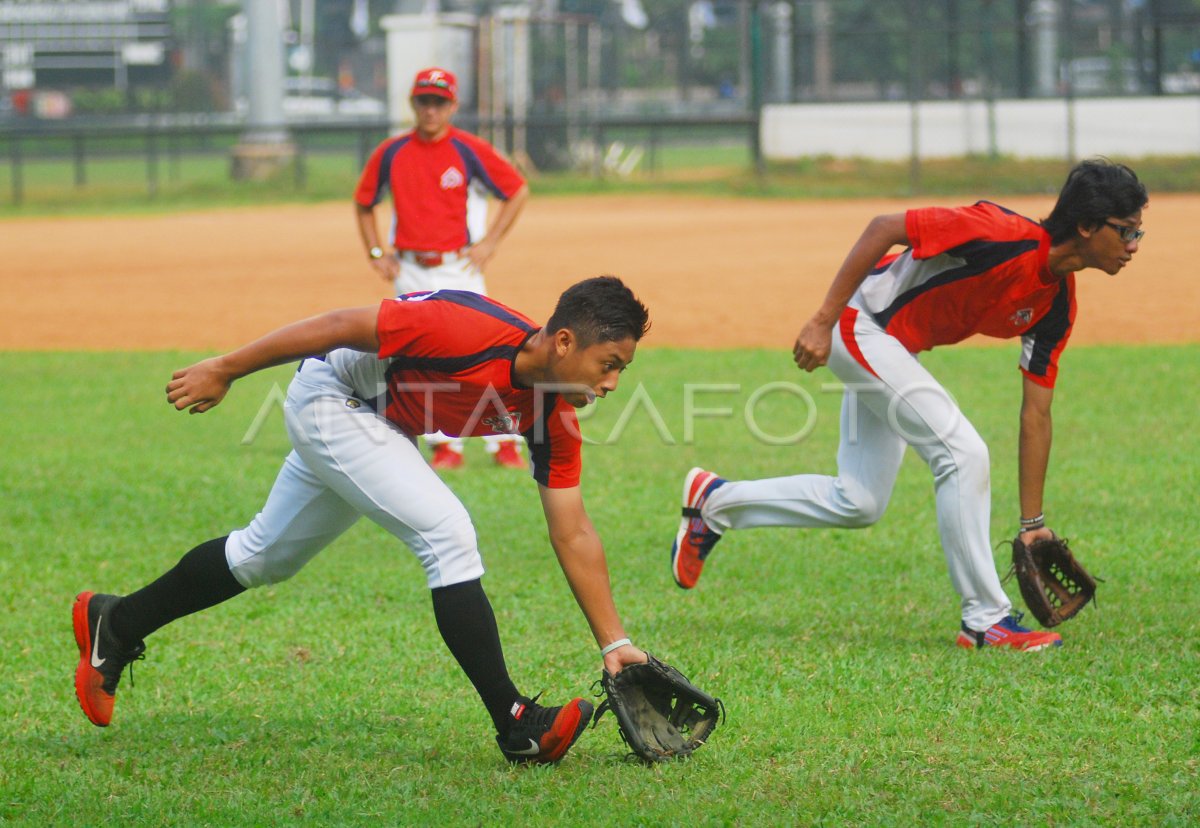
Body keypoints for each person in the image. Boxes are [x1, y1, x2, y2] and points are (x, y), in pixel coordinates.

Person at [73, 276, 651, 765]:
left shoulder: (553, 416)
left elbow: (571, 530)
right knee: (448, 534)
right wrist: (226, 368)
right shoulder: (464, 328)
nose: (611, 384)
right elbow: (336, 326)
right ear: (565, 342)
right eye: (609, 364)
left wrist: (615, 642)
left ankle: (118, 622)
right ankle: (516, 721)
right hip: (331, 395)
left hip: (379, 423)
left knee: (262, 556)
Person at [670, 158, 1147, 652]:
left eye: (1139, 232)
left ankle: (714, 503)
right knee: (963, 453)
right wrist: (822, 319)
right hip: (859, 323)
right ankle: (985, 620)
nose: (1133, 246)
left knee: (859, 501)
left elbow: (1036, 414)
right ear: (1087, 226)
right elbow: (884, 229)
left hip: (892, 345)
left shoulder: (1058, 304)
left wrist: (1032, 525)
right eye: (1127, 231)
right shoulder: (999, 233)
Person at [354, 67, 530, 471]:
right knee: (418, 359)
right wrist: (377, 251)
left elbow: (517, 189)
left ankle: (504, 443)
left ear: (452, 105)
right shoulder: (391, 152)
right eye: (423, 101)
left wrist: (491, 242)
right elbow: (364, 202)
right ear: (413, 103)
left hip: (459, 267)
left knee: (489, 356)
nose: (430, 109)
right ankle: (443, 445)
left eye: (439, 101)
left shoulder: (468, 149)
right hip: (411, 267)